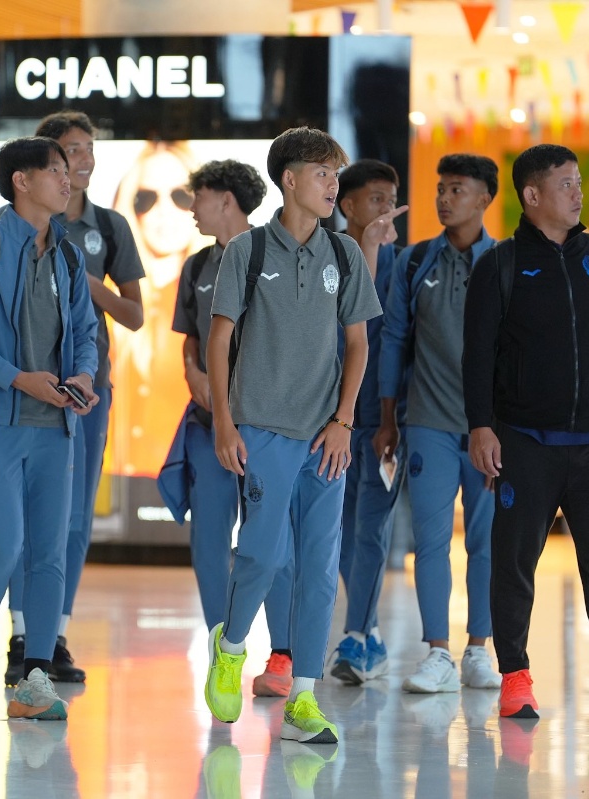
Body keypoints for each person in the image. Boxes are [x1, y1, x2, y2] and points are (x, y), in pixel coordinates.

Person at [463, 143, 589, 724]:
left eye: (578, 182)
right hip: (525, 443)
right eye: (565, 184)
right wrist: (481, 426)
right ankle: (515, 676)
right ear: (532, 195)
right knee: (515, 562)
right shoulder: (500, 265)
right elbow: (476, 356)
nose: (578, 193)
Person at [203, 127, 382, 744]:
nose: (333, 185)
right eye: (322, 173)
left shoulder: (345, 255)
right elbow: (220, 340)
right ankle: (230, 647)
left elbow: (358, 344)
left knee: (320, 567)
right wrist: (224, 422)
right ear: (289, 179)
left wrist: (344, 422)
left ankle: (303, 697)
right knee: (262, 553)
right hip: (261, 428)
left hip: (326, 436)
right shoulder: (247, 251)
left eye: (336, 174)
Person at [0, 111, 146, 688]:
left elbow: (133, 315)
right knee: (20, 517)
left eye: (87, 149)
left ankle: (53, 634)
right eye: (69, 151)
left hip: (85, 390)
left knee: (75, 517)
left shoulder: (108, 227)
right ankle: (19, 635)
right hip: (22, 389)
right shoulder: (12, 228)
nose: (81, 161)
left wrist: (84, 282)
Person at [0, 136, 98, 721]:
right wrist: (18, 380)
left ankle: (35, 676)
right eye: (56, 171)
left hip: (56, 425)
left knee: (50, 552)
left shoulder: (69, 256)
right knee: (2, 542)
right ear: (21, 180)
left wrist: (83, 375)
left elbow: (85, 330)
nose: (68, 181)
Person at [376, 154, 503, 695]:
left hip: (490, 429)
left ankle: (479, 650)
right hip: (427, 422)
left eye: (457, 189)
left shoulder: (506, 263)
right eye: (441, 189)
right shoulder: (414, 262)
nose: (444, 199)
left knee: (487, 542)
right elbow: (393, 340)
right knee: (430, 541)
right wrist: (388, 419)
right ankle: (437, 653)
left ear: (484, 199)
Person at [168, 158, 294, 697]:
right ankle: (223, 649)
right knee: (208, 540)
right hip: (206, 424)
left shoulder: (274, 255)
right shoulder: (197, 266)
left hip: (263, 424)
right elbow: (192, 340)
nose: (191, 208)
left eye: (197, 197)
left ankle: (283, 654)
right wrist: (193, 373)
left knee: (269, 539)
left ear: (225, 199)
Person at [326, 158, 410, 686]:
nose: (385, 208)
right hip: (331, 420)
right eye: (375, 199)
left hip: (382, 422)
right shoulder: (324, 255)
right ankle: (369, 630)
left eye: (391, 200)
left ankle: (356, 636)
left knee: (371, 530)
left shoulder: (402, 263)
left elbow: (384, 324)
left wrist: (393, 419)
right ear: (347, 205)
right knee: (338, 533)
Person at [111, 140, 209, 478]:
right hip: (110, 480)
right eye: (146, 198)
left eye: (181, 196)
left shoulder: (218, 290)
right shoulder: (107, 295)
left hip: (187, 471)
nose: (163, 210)